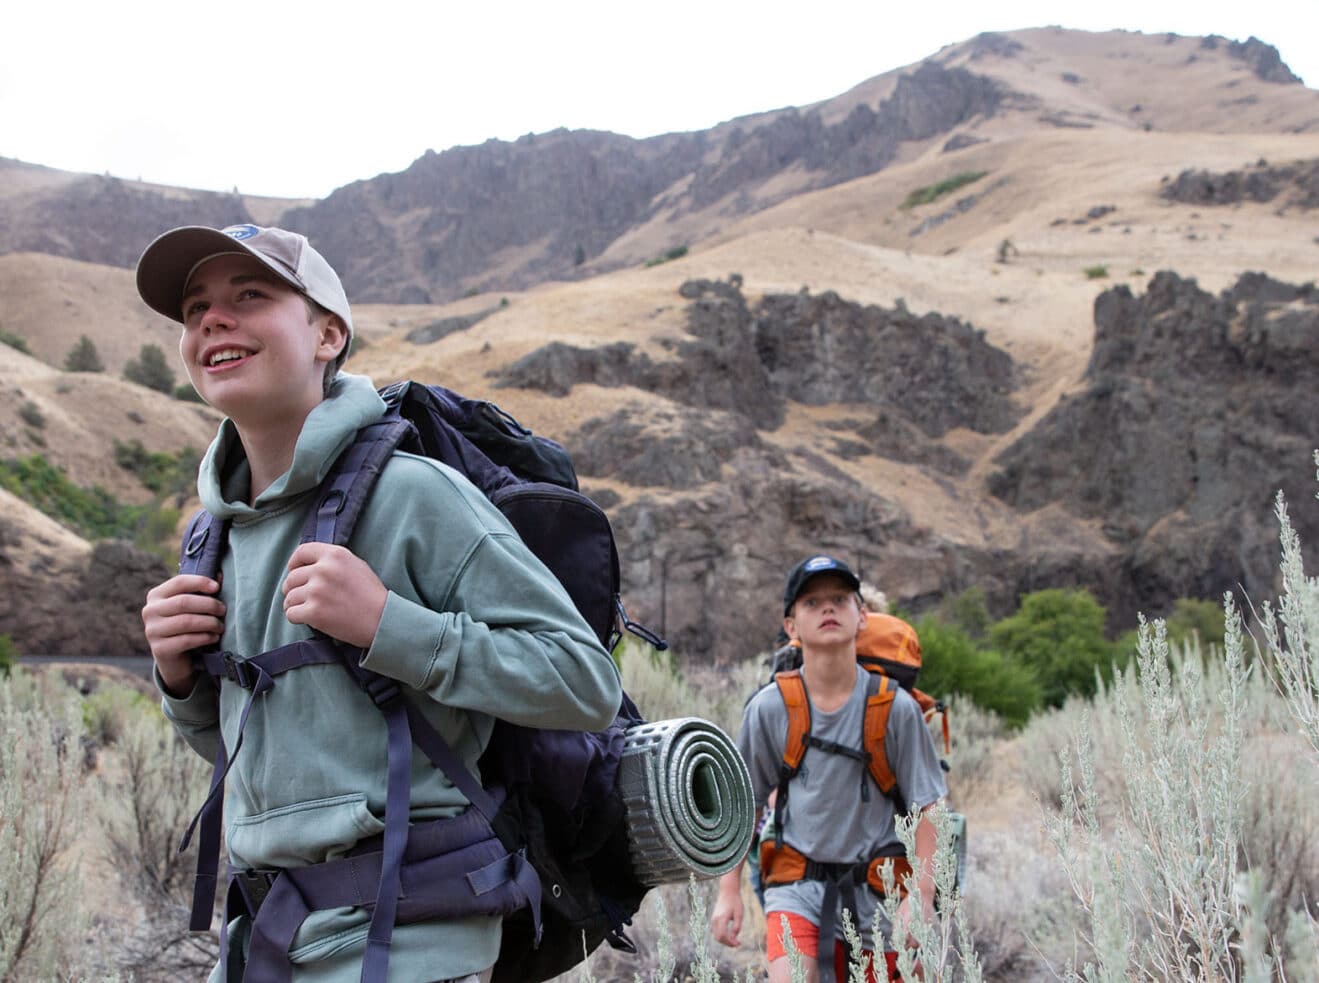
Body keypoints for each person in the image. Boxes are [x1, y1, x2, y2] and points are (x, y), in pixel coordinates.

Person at [136, 223, 623, 983]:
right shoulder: (214, 538)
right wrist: (178, 683)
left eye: (250, 296)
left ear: (328, 334)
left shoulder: (413, 494)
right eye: (196, 308)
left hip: (409, 943)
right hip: (263, 943)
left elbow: (584, 683)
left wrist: (389, 625)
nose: (212, 320)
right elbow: (276, 757)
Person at [710, 556, 948, 983]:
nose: (828, 609)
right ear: (792, 627)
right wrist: (728, 892)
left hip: (882, 890)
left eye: (840, 599)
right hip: (796, 886)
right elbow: (741, 806)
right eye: (812, 602)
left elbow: (929, 806)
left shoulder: (894, 708)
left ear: (862, 617)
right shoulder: (770, 708)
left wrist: (922, 894)